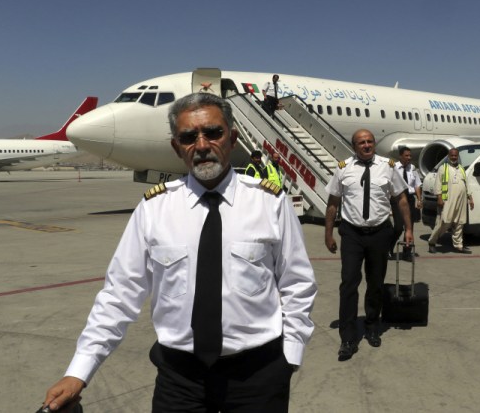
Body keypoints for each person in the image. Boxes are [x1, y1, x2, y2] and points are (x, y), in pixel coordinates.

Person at [41, 93, 317, 412]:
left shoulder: (269, 203)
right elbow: (119, 296)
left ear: (233, 139)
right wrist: (79, 371)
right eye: (188, 137)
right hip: (180, 380)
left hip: (257, 378)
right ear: (177, 147)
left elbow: (297, 285)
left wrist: (290, 357)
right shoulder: (153, 210)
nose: (201, 145)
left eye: (213, 132)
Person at [324, 129, 413, 360]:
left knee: (375, 283)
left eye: (370, 141)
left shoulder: (388, 166)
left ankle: (373, 327)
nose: (367, 145)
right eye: (361, 142)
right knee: (349, 284)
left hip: (379, 233)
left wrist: (409, 229)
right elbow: (333, 202)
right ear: (354, 146)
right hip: (352, 233)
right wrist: (328, 233)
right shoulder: (343, 168)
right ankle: (348, 337)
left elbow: (402, 199)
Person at [427, 148, 474, 253]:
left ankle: (458, 245)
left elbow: (466, 185)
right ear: (448, 156)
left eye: (455, 156)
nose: (454, 157)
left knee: (459, 222)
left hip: (461, 200)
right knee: (443, 222)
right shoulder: (443, 168)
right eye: (452, 155)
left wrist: (470, 198)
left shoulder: (461, 169)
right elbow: (438, 184)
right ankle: (432, 242)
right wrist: (439, 197)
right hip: (447, 200)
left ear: (458, 156)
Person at [392, 146, 423, 261]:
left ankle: (407, 252)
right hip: (397, 199)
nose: (409, 158)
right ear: (400, 156)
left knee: (409, 228)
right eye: (406, 155)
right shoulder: (393, 167)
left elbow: (417, 184)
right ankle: (389, 247)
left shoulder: (412, 168)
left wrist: (419, 199)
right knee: (398, 227)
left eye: (410, 156)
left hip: (410, 199)